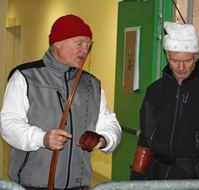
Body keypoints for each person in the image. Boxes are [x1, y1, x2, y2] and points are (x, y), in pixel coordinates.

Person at [0, 14, 121, 189]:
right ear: (58, 43)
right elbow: (8, 124)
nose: (85, 50)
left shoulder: (92, 84)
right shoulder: (25, 77)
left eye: (88, 44)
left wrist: (103, 139)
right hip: (32, 185)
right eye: (79, 43)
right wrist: (41, 138)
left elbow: (110, 122)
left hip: (78, 186)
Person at [130, 21, 199, 180]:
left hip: (197, 177)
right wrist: (136, 176)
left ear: (197, 56)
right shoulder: (154, 91)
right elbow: (145, 138)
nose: (180, 67)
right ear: (167, 55)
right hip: (157, 175)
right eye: (174, 60)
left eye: (187, 61)